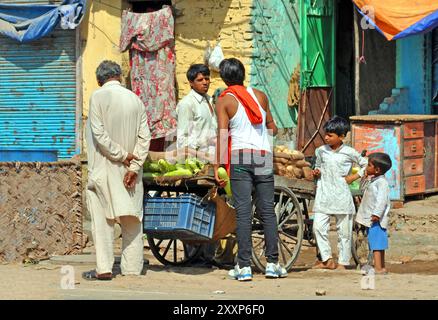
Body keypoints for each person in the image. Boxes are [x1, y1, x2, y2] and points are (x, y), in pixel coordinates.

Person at [214, 58, 287, 281]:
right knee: (267, 211)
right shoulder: (261, 96)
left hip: (240, 157)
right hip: (263, 156)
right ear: (243, 74)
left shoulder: (224, 100)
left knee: (244, 212)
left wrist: (218, 165)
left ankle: (243, 267)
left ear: (224, 78)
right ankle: (273, 264)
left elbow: (222, 134)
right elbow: (272, 127)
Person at [83, 60, 151, 281]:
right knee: (132, 220)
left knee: (103, 221)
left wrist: (122, 156)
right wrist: (133, 166)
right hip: (130, 173)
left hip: (104, 168)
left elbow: (100, 135)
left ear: (99, 79)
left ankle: (104, 268)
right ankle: (132, 269)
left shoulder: (98, 97)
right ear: (120, 77)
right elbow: (144, 138)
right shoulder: (136, 100)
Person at [312, 116, 368, 270]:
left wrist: (354, 176)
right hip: (323, 194)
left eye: (330, 135)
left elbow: (366, 164)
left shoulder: (349, 152)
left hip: (342, 195)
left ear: (342, 136)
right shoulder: (321, 151)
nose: (326, 137)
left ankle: (343, 262)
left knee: (344, 232)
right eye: (326, 134)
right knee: (318, 227)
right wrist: (316, 172)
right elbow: (318, 166)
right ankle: (327, 259)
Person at [355, 152, 392, 274]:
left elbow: (382, 200)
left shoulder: (382, 183)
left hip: (376, 220)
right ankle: (381, 267)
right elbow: (363, 189)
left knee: (376, 244)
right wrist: (364, 178)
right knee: (377, 243)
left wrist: (376, 214)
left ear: (377, 169)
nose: (366, 167)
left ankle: (378, 268)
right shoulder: (374, 180)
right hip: (373, 219)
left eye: (369, 165)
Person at [176, 64, 217, 159]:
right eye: (200, 80)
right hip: (197, 161)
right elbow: (183, 138)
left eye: (207, 79)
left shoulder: (210, 100)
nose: (205, 82)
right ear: (191, 83)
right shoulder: (187, 104)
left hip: (213, 157)